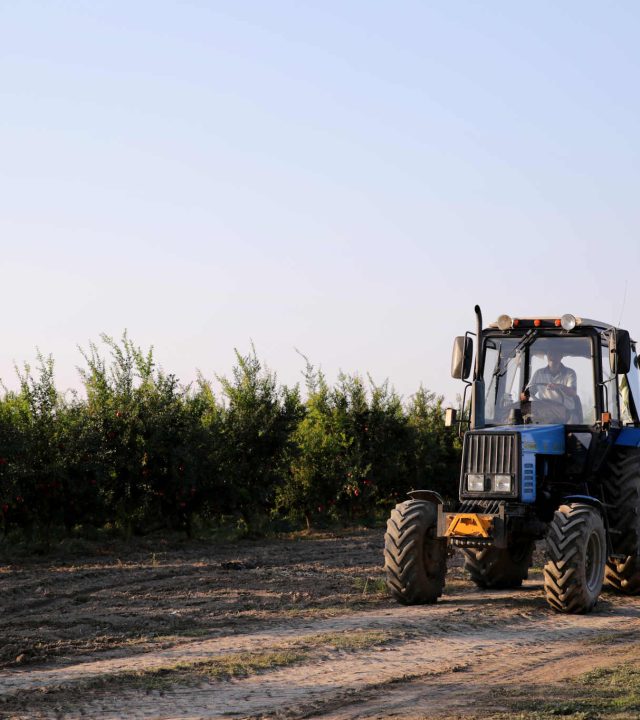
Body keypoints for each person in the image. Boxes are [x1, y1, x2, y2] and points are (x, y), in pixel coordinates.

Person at [520, 349, 580, 421]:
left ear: (561, 356)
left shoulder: (569, 373)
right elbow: (528, 392)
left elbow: (573, 392)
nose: (552, 355)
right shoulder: (539, 373)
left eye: (555, 353)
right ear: (547, 356)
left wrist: (559, 386)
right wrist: (523, 398)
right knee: (520, 413)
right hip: (544, 409)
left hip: (565, 412)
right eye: (550, 353)